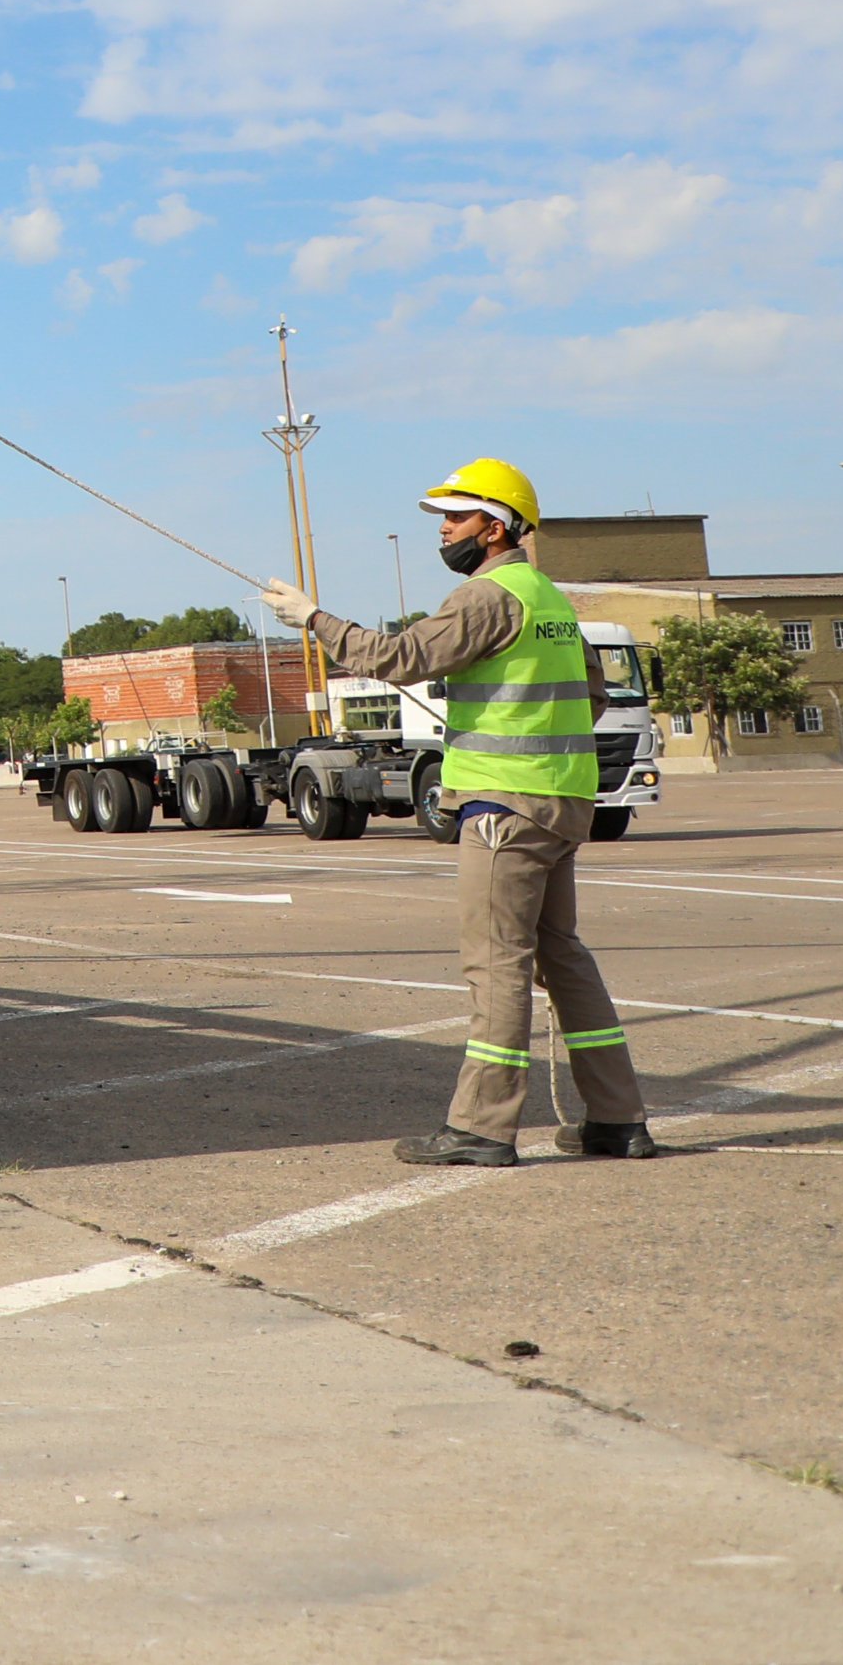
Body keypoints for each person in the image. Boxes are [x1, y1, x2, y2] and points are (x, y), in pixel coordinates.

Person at [265, 456, 650, 1167]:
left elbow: (396, 656)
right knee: (561, 957)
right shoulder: (550, 599)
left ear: (497, 524)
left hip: (504, 807)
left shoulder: (486, 596)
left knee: (497, 960)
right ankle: (616, 1117)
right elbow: (589, 695)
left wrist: (310, 617)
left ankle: (481, 1126)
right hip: (562, 800)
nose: (444, 529)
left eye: (456, 516)